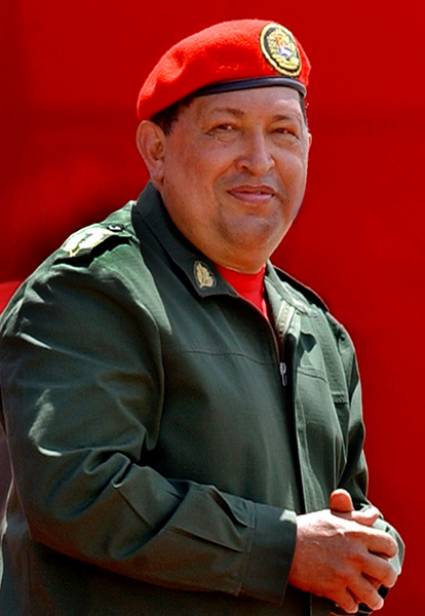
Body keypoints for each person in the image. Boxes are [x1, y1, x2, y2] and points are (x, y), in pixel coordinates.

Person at [0, 19, 403, 616]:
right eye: (225, 129)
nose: (259, 161)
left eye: (283, 132)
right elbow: (77, 491)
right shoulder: (92, 291)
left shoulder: (316, 329)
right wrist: (284, 549)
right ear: (155, 150)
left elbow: (338, 518)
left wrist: (370, 549)